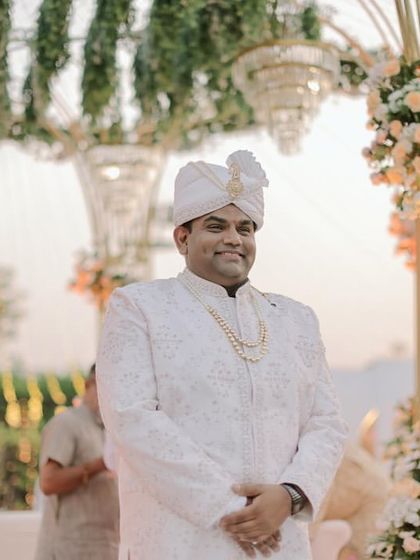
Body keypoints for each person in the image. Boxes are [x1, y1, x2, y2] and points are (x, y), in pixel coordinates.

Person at [97, 150, 348, 560]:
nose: (234, 238)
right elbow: (131, 417)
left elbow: (327, 422)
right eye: (216, 226)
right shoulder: (139, 307)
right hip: (180, 540)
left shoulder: (295, 319)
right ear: (183, 238)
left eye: (245, 228)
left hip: (279, 541)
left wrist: (289, 496)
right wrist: (229, 509)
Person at [34, 364, 119, 560]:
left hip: (105, 548)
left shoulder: (110, 429)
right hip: (70, 548)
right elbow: (48, 482)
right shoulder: (67, 424)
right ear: (89, 384)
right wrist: (101, 464)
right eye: (107, 384)